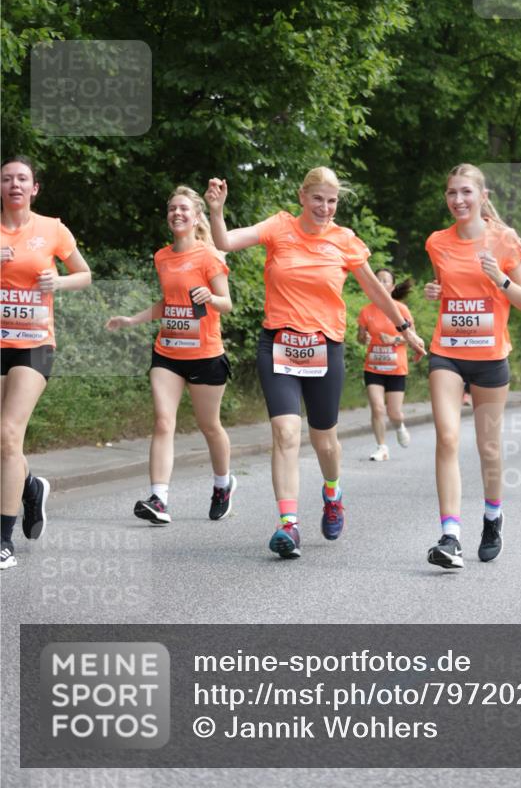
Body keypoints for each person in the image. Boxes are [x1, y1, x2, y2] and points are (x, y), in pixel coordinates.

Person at [205, 167, 425, 559]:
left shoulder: (345, 241)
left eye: (332, 200)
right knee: (286, 433)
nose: (325, 207)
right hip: (278, 342)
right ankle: (288, 525)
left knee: (326, 442)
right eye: (318, 198)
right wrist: (217, 210)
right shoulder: (279, 227)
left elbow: (374, 289)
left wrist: (405, 328)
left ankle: (332, 492)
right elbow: (224, 240)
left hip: (325, 346)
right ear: (302, 196)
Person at [107, 186, 235, 524]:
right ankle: (159, 499)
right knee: (164, 421)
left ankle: (223, 484)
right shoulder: (162, 256)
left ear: (195, 217)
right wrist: (132, 319)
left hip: (206, 354)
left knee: (210, 426)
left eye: (183, 209)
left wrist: (210, 296)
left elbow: (227, 303)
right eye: (172, 209)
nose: (177, 213)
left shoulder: (210, 256)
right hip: (168, 351)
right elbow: (169, 302)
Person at [424, 163, 521, 570]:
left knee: (488, 447)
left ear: (482, 196)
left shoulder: (504, 240)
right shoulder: (437, 242)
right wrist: (436, 292)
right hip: (447, 351)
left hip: (489, 358)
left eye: (466, 192)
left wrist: (497, 278)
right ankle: (451, 536)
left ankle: (492, 516)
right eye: (452, 193)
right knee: (447, 438)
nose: (458, 200)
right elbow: (446, 287)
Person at [1, 156, 91, 570]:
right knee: (4, 444)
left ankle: (3, 541)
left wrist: (60, 280)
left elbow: (84, 274)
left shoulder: (51, 229)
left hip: (34, 343)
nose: (15, 184)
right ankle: (31, 486)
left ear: (34, 188)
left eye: (22, 179)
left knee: (7, 433)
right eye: (7, 179)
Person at [357, 269, 414, 461]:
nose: (381, 283)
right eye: (378, 280)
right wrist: (362, 337)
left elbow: (412, 339)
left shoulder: (402, 310)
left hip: (396, 368)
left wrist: (394, 339)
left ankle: (399, 426)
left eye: (385, 280)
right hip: (373, 367)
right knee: (377, 407)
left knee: (394, 413)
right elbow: (360, 337)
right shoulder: (366, 311)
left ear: (392, 287)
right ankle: (381, 447)